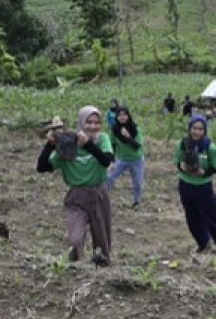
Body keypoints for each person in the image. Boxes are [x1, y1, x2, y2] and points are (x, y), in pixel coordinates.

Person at [37, 106, 114, 265]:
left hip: (98, 194)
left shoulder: (102, 139)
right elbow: (42, 167)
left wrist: (88, 145)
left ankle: (102, 270)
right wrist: (50, 145)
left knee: (102, 241)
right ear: (81, 123)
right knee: (74, 240)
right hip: (76, 197)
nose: (93, 126)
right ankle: (76, 269)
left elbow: (106, 160)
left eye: (96, 122)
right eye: (88, 122)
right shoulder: (68, 145)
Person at [176, 115, 216, 253]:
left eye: (200, 129)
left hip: (203, 187)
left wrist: (203, 172)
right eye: (194, 128)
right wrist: (182, 166)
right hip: (185, 185)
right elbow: (177, 161)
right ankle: (203, 243)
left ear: (204, 131)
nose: (196, 132)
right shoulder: (182, 144)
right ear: (189, 129)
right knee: (192, 216)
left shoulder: (210, 147)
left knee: (212, 215)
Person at [106, 106, 144, 208]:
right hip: (121, 159)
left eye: (124, 115)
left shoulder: (135, 128)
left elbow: (137, 146)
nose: (122, 117)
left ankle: (136, 202)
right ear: (116, 117)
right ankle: (101, 198)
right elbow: (111, 146)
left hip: (136, 159)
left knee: (137, 183)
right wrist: (111, 161)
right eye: (119, 115)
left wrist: (128, 136)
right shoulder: (114, 130)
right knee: (108, 178)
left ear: (128, 116)